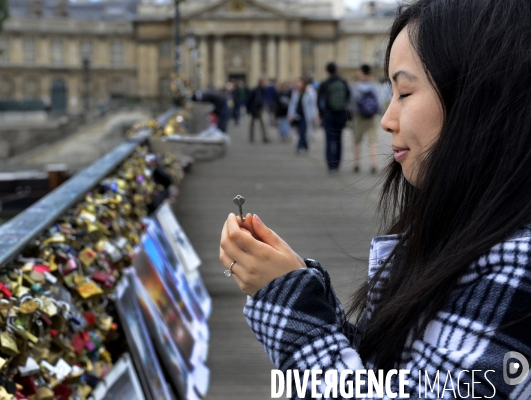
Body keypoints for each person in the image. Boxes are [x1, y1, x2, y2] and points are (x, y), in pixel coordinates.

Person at [219, 0, 531, 398]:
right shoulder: (477, 235)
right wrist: (300, 289)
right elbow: (397, 377)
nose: (387, 118)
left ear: (480, 98)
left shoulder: (521, 264)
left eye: (403, 91)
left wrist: (287, 303)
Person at [350, 64, 383, 174]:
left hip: (359, 116)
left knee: (357, 140)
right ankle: (373, 164)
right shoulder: (375, 85)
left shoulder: (355, 86)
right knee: (373, 141)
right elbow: (379, 101)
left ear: (361, 72)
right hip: (372, 116)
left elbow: (353, 101)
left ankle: (356, 164)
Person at [318, 62, 350, 172]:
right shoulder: (343, 82)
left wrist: (321, 114)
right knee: (338, 140)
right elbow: (348, 97)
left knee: (329, 140)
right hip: (341, 114)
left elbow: (320, 101)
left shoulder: (325, 83)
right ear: (336, 70)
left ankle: (330, 165)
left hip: (329, 114)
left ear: (327, 70)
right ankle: (337, 164)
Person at [288, 78, 318, 154]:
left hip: (306, 115)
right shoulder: (295, 93)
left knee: (302, 131)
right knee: (299, 131)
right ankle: (305, 146)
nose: (298, 85)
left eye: (300, 83)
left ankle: (299, 147)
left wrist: (315, 114)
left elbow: (313, 105)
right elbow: (292, 104)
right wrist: (291, 113)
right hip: (297, 115)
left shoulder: (310, 93)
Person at [246, 78, 270, 143]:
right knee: (253, 124)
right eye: (262, 83)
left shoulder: (262, 90)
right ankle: (251, 137)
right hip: (254, 109)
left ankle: (264, 137)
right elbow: (249, 100)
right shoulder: (255, 90)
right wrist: (248, 109)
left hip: (259, 109)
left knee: (263, 123)